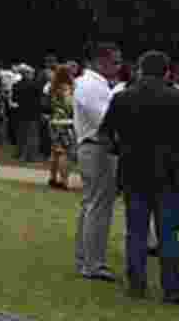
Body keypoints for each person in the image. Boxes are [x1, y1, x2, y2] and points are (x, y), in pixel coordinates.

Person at [100, 51, 179, 303]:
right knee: (169, 235)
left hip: (134, 171)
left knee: (136, 232)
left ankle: (137, 284)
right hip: (170, 173)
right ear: (167, 72)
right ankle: (171, 289)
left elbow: (106, 135)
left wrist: (122, 149)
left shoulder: (122, 97)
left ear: (140, 69)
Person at [73, 42, 122, 282]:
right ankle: (92, 263)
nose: (118, 66)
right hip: (97, 148)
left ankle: (85, 258)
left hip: (95, 147)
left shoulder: (93, 84)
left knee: (91, 205)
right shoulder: (92, 85)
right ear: (100, 61)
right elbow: (105, 121)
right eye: (115, 62)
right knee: (98, 207)